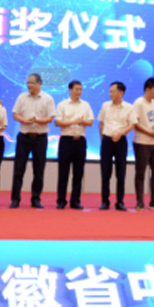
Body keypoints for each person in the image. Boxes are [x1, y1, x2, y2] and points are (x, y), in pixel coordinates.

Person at [10, 73, 56, 209]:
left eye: (32, 82)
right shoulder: (22, 97)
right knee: (19, 169)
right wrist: (24, 120)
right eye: (28, 83)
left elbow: (50, 118)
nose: (29, 85)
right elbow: (15, 114)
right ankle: (15, 199)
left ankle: (36, 199)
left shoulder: (48, 98)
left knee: (39, 170)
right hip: (24, 137)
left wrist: (37, 120)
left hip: (40, 138)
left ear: (39, 83)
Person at [54, 80, 95, 210]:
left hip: (80, 141)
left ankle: (75, 201)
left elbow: (91, 122)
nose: (79, 92)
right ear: (70, 90)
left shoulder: (86, 105)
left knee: (78, 173)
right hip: (66, 140)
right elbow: (57, 122)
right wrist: (73, 122)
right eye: (76, 89)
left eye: (80, 89)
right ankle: (61, 200)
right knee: (63, 172)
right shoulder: (62, 105)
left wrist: (82, 121)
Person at [98, 81, 136, 211]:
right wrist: (103, 138)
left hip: (121, 141)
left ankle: (120, 201)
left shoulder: (129, 107)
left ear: (121, 92)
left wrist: (121, 133)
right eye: (110, 91)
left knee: (121, 172)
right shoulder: (105, 105)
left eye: (113, 91)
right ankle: (105, 201)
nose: (110, 94)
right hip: (107, 141)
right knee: (105, 172)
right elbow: (101, 123)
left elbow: (132, 124)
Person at [133, 77, 154, 211]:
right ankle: (140, 201)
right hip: (141, 142)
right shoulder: (138, 103)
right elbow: (135, 123)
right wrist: (148, 132)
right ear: (147, 89)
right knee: (141, 172)